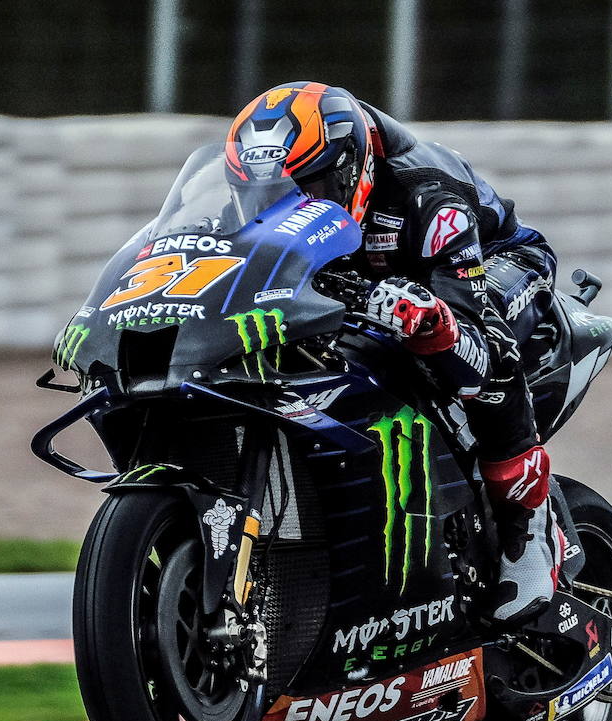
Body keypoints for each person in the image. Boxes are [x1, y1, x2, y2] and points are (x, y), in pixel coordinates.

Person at [226, 80, 564, 624]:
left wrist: (435, 322)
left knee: (472, 355)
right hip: (366, 284)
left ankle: (529, 534)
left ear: (351, 167)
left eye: (309, 189)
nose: (288, 207)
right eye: (267, 195)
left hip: (490, 265)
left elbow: (476, 333)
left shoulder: (424, 195)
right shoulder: (256, 195)